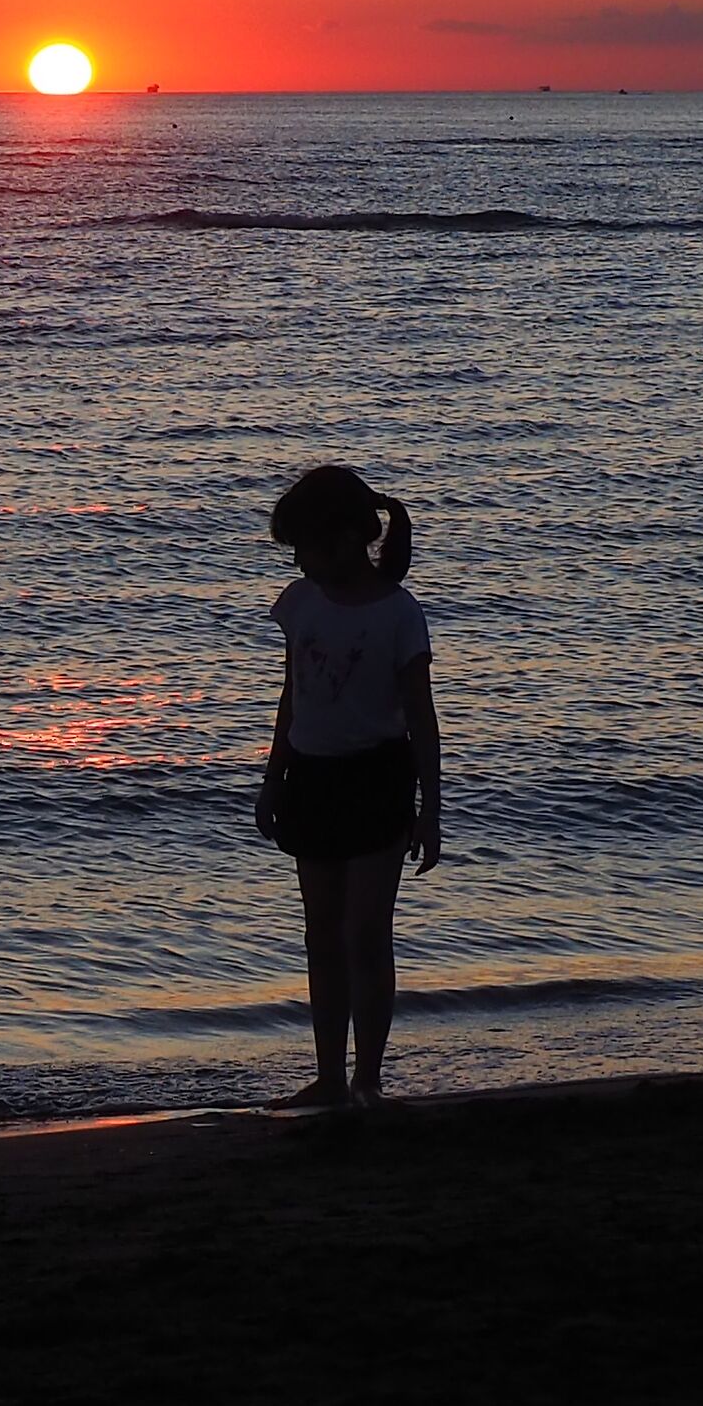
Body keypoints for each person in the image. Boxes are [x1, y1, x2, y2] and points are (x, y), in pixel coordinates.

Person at [255, 466, 442, 1108]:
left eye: (305, 548)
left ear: (341, 540)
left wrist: (429, 810)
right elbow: (293, 697)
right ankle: (330, 1076)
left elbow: (421, 718)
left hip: (377, 778)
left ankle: (367, 1079)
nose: (299, 563)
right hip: (312, 777)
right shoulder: (300, 603)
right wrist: (273, 778)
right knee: (322, 936)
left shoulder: (399, 614)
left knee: (366, 934)